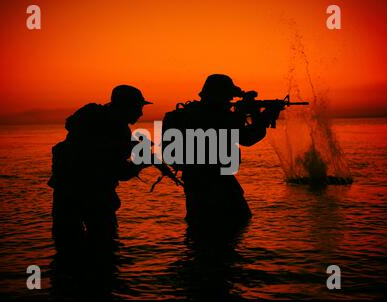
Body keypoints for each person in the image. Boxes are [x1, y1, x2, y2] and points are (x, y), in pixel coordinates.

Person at [48, 85, 152, 267]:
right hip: (95, 198)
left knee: (66, 252)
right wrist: (142, 161)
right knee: (104, 251)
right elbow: (120, 172)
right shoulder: (118, 130)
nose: (141, 114)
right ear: (127, 106)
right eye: (138, 108)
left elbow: (75, 131)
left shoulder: (90, 116)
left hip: (65, 194)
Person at [162, 74, 279, 230]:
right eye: (227, 99)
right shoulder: (216, 118)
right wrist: (263, 117)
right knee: (232, 228)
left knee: (200, 237)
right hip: (220, 187)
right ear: (220, 96)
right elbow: (248, 138)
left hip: (195, 187)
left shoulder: (181, 116)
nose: (228, 103)